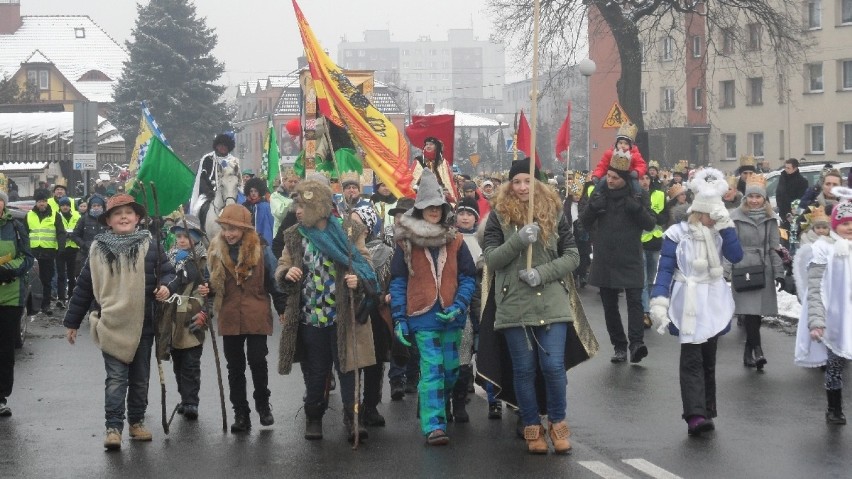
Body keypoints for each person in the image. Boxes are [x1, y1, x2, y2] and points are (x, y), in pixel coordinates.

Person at [63, 194, 176, 450]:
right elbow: (84, 287)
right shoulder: (97, 248)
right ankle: (113, 427)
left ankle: (136, 422)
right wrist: (72, 321)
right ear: (108, 221)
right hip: (111, 323)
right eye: (117, 213)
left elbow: (169, 273)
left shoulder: (152, 245)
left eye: (128, 213)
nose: (123, 217)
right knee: (115, 379)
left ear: (138, 218)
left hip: (144, 325)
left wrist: (167, 287)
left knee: (139, 379)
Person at [482, 157, 579, 454]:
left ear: (537, 183)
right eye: (517, 181)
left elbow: (573, 255)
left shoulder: (555, 213)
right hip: (514, 304)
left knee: (552, 367)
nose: (522, 187)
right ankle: (531, 426)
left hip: (551, 300)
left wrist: (542, 274)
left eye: (528, 181)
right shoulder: (498, 216)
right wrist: (518, 241)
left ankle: (558, 422)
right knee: (523, 369)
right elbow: (492, 259)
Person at [275, 178, 378, 442]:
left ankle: (353, 419)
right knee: (317, 371)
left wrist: (358, 279)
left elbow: (365, 262)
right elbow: (281, 267)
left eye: (303, 204)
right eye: (297, 204)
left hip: (344, 315)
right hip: (311, 318)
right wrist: (288, 272)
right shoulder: (294, 235)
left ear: (320, 206)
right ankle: (313, 417)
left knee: (348, 369)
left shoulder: (349, 231)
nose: (297, 210)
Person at [650, 168, 743, 436]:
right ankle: (694, 414)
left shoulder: (721, 233)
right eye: (710, 215)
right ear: (699, 212)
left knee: (708, 357)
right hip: (688, 297)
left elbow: (736, 257)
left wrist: (727, 228)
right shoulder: (678, 234)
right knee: (691, 356)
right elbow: (665, 268)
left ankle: (707, 408)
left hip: (712, 297)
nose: (713, 219)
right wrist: (660, 299)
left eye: (717, 215)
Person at [389, 170, 476, 446]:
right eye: (428, 207)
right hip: (422, 316)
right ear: (419, 210)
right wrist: (399, 318)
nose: (434, 211)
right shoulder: (405, 243)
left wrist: (460, 304)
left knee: (451, 370)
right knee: (433, 370)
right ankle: (434, 425)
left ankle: (433, 404)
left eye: (437, 206)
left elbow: (468, 276)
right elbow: (398, 281)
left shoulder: (456, 240)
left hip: (451, 316)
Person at [198, 204, 286, 433]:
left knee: (258, 361)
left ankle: (263, 405)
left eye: (234, 229)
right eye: (226, 228)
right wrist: (207, 290)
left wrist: (283, 308)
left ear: (245, 230)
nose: (229, 233)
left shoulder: (262, 249)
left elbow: (274, 281)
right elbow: (211, 283)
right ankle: (241, 412)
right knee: (234, 367)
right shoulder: (216, 251)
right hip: (228, 315)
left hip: (256, 313)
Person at [581, 152, 657, 363]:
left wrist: (637, 210)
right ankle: (619, 346)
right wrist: (593, 207)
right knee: (610, 305)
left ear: (625, 179)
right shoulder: (599, 195)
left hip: (630, 257)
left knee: (635, 302)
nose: (610, 180)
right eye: (609, 176)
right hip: (605, 258)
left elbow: (650, 223)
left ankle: (636, 344)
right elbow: (584, 223)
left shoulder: (638, 195)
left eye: (615, 177)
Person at [797, 194, 852, 425]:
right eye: (845, 223)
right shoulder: (823, 249)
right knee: (835, 363)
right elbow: (816, 286)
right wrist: (817, 320)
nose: (849, 228)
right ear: (836, 225)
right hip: (835, 316)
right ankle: (834, 406)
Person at [729, 175, 784, 370]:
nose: (754, 200)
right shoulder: (735, 217)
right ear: (745, 198)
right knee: (750, 312)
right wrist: (727, 271)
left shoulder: (771, 219)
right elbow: (730, 246)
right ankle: (758, 350)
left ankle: (748, 352)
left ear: (764, 199)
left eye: (758, 197)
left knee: (756, 314)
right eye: (751, 196)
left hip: (763, 268)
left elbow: (774, 247)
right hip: (743, 268)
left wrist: (779, 272)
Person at [159, 216, 207, 420]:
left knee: (191, 364)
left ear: (195, 238)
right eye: (178, 236)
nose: (181, 239)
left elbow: (211, 289)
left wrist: (206, 306)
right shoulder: (169, 258)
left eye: (186, 236)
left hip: (191, 315)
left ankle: (191, 401)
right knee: (178, 363)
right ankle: (184, 397)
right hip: (171, 318)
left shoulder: (203, 260)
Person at [0, 189, 35, 418]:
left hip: (9, 298)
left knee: (4, 350)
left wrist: (6, 270)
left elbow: (27, 257)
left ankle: (1, 398)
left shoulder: (15, 226)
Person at [383, 197, 420, 400]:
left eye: (404, 215)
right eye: (397, 215)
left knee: (414, 341)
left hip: (416, 296)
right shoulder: (386, 238)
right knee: (399, 338)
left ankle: (412, 376)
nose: (399, 219)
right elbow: (384, 270)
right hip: (395, 295)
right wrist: (386, 291)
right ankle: (396, 379)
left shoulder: (419, 240)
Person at [451, 197, 483, 423]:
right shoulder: (450, 238)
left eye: (469, 213)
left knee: (465, 351)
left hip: (472, 300)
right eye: (460, 212)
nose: (464, 217)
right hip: (448, 300)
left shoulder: (482, 239)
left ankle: (460, 400)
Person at [25, 189, 65, 316]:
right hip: (33, 252)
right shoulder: (29, 215)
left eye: (44, 201)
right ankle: (34, 304)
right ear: (36, 203)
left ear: (47, 202)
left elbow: (61, 232)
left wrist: (61, 247)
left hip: (48, 251)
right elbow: (24, 233)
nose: (42, 204)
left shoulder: (55, 215)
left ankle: (45, 305)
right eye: (39, 201)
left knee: (46, 280)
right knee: (33, 280)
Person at [190, 133, 241, 218]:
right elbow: (202, 179)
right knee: (196, 210)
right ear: (216, 146)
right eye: (220, 145)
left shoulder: (233, 161)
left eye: (225, 146)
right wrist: (208, 192)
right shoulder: (207, 159)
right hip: (209, 194)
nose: (223, 148)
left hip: (230, 194)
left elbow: (238, 180)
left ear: (229, 147)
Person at [640, 172, 667, 328]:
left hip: (655, 241)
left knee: (651, 280)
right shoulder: (635, 195)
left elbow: (664, 217)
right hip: (640, 242)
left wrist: (653, 216)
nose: (645, 181)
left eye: (647, 178)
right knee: (643, 281)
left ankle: (647, 308)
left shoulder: (659, 194)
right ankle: (645, 312)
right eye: (642, 178)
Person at [590, 122, 647, 195]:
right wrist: (596, 175)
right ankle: (597, 194)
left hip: (628, 175)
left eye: (626, 144)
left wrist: (636, 172)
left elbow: (641, 165)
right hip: (612, 174)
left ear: (630, 146)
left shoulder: (635, 155)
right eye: (620, 143)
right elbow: (602, 166)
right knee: (603, 180)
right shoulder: (610, 153)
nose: (622, 146)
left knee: (635, 183)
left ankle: (638, 195)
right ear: (616, 143)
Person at [69, 195, 108, 279]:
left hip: (104, 256)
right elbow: (75, 235)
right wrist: (84, 245)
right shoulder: (83, 219)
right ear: (90, 206)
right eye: (94, 206)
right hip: (86, 255)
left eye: (99, 206)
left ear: (102, 206)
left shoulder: (107, 220)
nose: (96, 208)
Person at [56, 196, 80, 309]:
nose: (65, 207)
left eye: (67, 205)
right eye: (63, 205)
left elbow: (79, 230)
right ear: (60, 206)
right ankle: (61, 298)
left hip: (73, 248)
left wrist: (71, 235)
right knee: (61, 274)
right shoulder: (56, 216)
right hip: (60, 248)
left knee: (71, 275)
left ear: (70, 206)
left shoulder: (77, 215)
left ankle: (71, 296)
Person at [776, 159, 810, 229]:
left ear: (795, 168)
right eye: (785, 167)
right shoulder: (782, 178)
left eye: (788, 168)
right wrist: (780, 206)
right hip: (783, 213)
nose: (786, 170)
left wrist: (794, 212)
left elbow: (802, 198)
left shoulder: (802, 182)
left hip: (794, 214)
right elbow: (778, 193)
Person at [242, 177, 274, 245]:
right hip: (247, 238)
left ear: (259, 192)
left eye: (256, 191)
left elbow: (270, 224)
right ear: (248, 192)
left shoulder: (265, 206)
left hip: (262, 239)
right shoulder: (244, 206)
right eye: (251, 191)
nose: (253, 193)